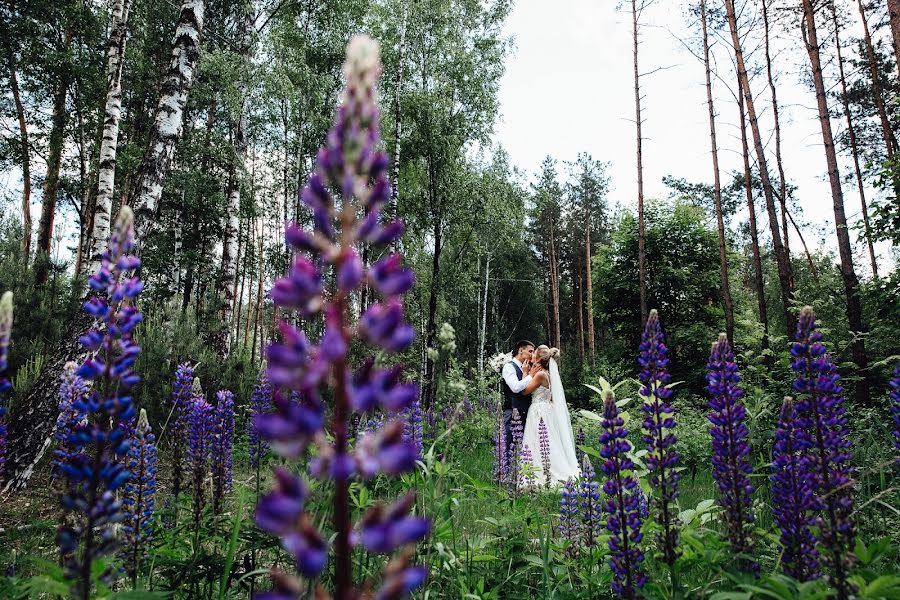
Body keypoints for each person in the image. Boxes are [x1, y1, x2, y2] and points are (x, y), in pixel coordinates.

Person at [520, 345, 580, 485]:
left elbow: (525, 391)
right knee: (545, 441)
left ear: (539, 358)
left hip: (538, 410)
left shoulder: (540, 374)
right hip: (547, 409)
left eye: (534, 354)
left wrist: (525, 372)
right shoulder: (548, 373)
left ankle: (543, 476)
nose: (532, 356)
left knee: (538, 441)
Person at [500, 340, 540, 461]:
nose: (532, 355)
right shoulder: (509, 367)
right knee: (508, 448)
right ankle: (504, 477)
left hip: (527, 414)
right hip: (512, 412)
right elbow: (515, 387)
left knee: (526, 449)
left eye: (534, 352)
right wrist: (530, 376)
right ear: (520, 350)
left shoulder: (528, 369)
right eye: (530, 351)